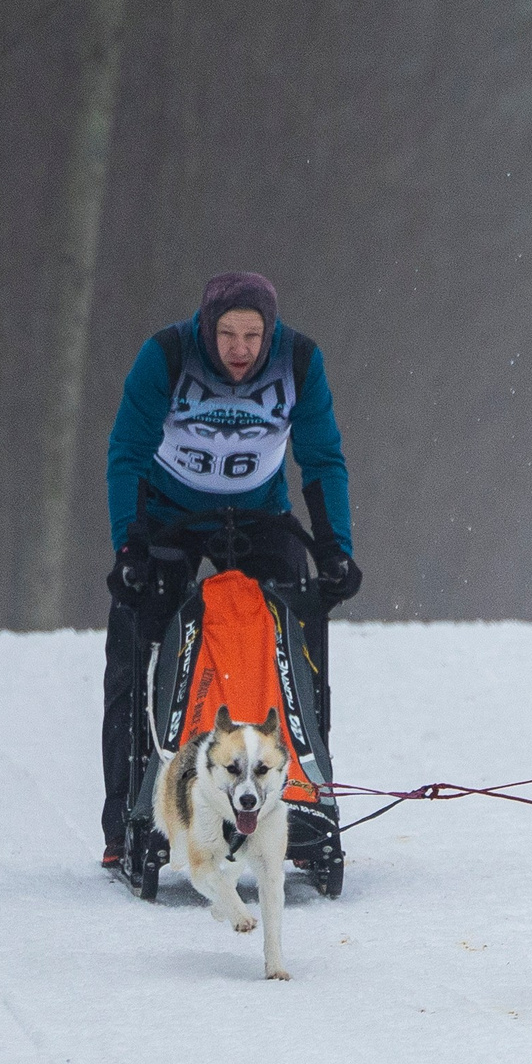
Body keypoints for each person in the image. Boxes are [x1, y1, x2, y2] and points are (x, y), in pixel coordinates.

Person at [101, 271, 357, 863]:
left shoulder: (299, 360)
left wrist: (334, 548)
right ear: (205, 330)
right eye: (226, 334)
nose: (240, 349)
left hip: (259, 512)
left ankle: (305, 802)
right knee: (136, 635)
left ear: (270, 334)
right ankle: (129, 819)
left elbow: (321, 457)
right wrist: (128, 548)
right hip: (169, 514)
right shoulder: (164, 357)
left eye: (252, 335)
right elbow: (128, 452)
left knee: (299, 629)